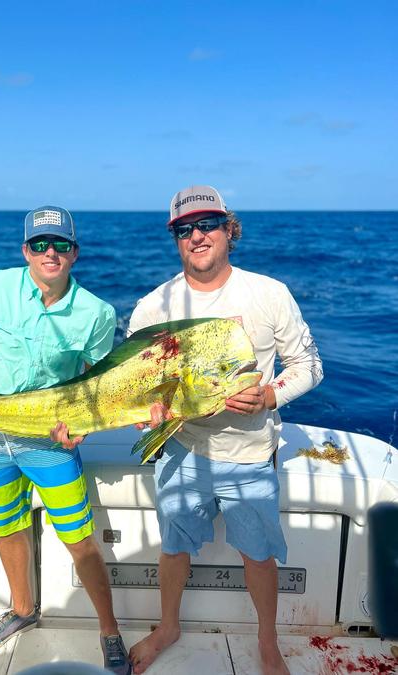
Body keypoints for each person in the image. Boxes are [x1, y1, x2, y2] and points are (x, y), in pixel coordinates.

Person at [0, 206, 131, 675]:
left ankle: (109, 629)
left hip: (48, 441)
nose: (50, 252)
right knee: (6, 525)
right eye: (40, 245)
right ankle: (22, 610)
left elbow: (99, 386)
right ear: (26, 252)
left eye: (59, 244)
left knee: (79, 539)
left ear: (74, 253)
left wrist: (82, 428)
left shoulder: (97, 313)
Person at [127, 186, 323, 675]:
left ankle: (267, 642)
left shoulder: (268, 293)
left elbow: (308, 365)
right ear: (175, 238)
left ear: (229, 230)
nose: (197, 236)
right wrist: (147, 410)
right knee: (173, 547)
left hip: (251, 452)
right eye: (184, 229)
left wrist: (270, 395)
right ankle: (168, 626)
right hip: (181, 450)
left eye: (208, 224)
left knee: (258, 555)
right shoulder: (154, 306)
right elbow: (137, 388)